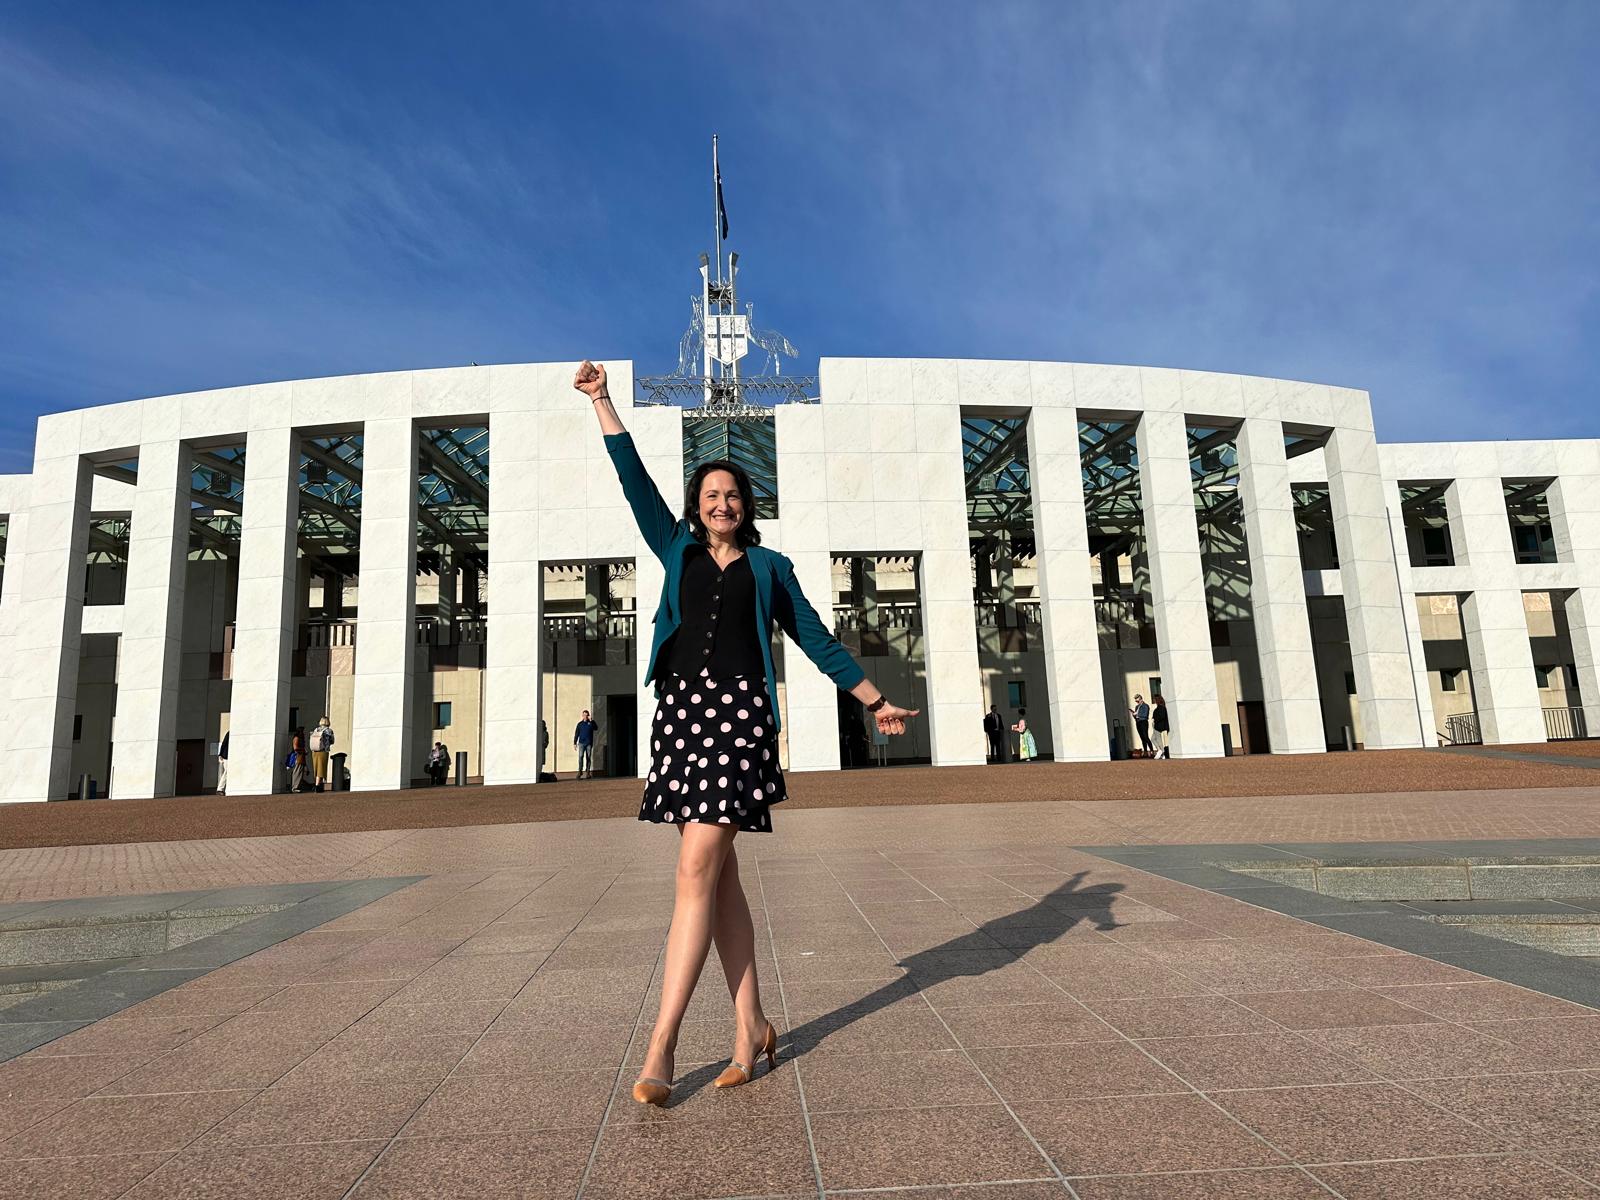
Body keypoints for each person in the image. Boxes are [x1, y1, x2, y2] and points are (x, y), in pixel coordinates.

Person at [577, 360, 919, 1108]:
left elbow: (814, 638)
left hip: (739, 718)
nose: (722, 502)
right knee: (718, 876)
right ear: (697, 508)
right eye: (710, 495)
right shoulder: (677, 548)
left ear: (745, 505)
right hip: (682, 714)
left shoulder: (770, 567)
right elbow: (634, 479)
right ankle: (752, 1026)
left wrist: (873, 698)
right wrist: (603, 401)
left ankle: (661, 1042)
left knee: (696, 868)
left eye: (731, 494)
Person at [308, 716, 335, 791]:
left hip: (314, 751)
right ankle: (318, 786)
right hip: (323, 751)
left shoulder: (316, 729)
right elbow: (332, 741)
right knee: (321, 768)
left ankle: (317, 784)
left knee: (316, 768)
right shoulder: (329, 730)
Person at [574, 709, 600, 779]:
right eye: (584, 715)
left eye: (586, 715)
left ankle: (588, 772)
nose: (585, 716)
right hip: (581, 743)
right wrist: (575, 743)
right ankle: (580, 771)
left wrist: (592, 721)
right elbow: (577, 733)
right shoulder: (580, 724)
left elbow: (596, 728)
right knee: (580, 757)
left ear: (588, 716)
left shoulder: (590, 723)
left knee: (588, 758)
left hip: (589, 743)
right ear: (582, 716)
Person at [1130, 694, 1154, 758]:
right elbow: (1136, 716)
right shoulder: (1137, 707)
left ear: (1141, 699)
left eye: (1137, 701)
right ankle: (1145, 751)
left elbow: (1145, 715)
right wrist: (1134, 715)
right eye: (1136, 701)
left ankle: (1151, 751)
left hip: (1143, 722)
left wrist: (1137, 714)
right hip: (1138, 722)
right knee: (1142, 737)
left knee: (1146, 736)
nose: (1137, 702)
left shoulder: (1145, 706)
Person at [1152, 694, 1171, 759]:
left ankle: (1161, 751)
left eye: (1154, 699)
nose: (1154, 700)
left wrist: (1155, 720)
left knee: (1158, 739)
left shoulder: (1161, 708)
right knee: (1153, 739)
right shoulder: (1159, 708)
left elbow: (1161, 717)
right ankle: (1161, 751)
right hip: (1158, 726)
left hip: (1160, 727)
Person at [216, 730, 229, 795]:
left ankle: (224, 789)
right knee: (227, 771)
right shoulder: (229, 733)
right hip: (226, 756)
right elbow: (223, 744)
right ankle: (220, 789)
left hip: (230, 756)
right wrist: (220, 754)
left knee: (228, 772)